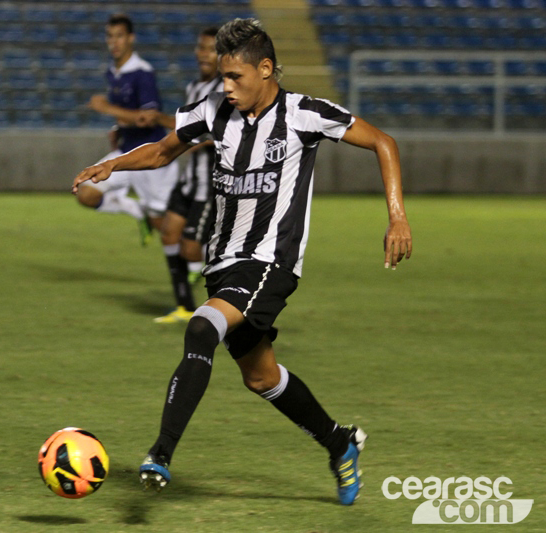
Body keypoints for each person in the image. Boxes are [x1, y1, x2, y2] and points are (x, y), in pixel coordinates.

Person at [73, 18, 412, 505]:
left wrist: (397, 217)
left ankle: (161, 454)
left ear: (266, 69)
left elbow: (384, 142)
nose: (226, 87)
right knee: (261, 377)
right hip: (224, 263)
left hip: (271, 261)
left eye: (235, 77)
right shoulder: (213, 110)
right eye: (223, 77)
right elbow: (163, 152)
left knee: (201, 328)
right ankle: (339, 443)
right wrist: (113, 164)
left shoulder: (303, 114)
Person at [77, 14, 182, 304]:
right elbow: (129, 114)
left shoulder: (142, 72)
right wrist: (118, 127)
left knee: (168, 230)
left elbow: (148, 117)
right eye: (110, 36)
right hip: (124, 153)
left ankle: (200, 266)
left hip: (150, 158)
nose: (114, 42)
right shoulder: (113, 72)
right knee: (86, 192)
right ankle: (138, 212)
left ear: (131, 38)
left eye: (119, 36)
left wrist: (107, 109)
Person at [137, 27, 223, 324]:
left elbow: (219, 132)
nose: (203, 54)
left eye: (210, 49)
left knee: (190, 249)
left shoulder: (224, 91)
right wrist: (161, 120)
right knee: (169, 233)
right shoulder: (193, 87)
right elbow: (187, 125)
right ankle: (184, 306)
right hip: (189, 181)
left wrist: (188, 139)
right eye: (200, 48)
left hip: (209, 185)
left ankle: (224, 299)